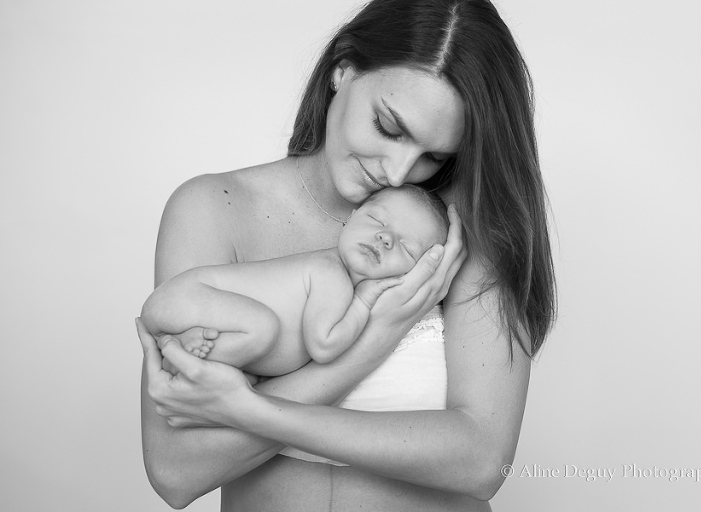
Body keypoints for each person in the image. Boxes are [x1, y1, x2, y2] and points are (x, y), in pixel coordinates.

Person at [138, 0, 556, 510]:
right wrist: (371, 343)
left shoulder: (455, 234)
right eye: (389, 127)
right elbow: (176, 470)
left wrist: (249, 410)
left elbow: (482, 461)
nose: (398, 172)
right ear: (343, 69)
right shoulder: (215, 210)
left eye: (433, 156)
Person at [140, 185, 449, 375]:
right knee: (262, 328)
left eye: (406, 247)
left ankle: (189, 346)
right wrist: (364, 300)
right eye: (376, 220)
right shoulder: (329, 272)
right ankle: (179, 357)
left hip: (192, 303)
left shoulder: (333, 281)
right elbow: (324, 346)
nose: (385, 237)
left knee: (253, 371)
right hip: (188, 295)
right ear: (352, 216)